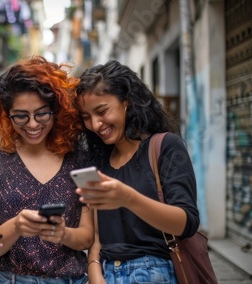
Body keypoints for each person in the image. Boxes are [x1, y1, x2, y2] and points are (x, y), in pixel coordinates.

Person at [0, 55, 94, 283]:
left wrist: (63, 234)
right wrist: (15, 227)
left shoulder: (81, 161)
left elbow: (87, 237)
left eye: (41, 114)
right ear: (7, 116)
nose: (32, 124)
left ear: (56, 111)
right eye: (21, 116)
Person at [75, 60, 200, 283]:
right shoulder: (98, 160)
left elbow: (186, 223)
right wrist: (94, 268)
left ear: (127, 102)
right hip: (104, 273)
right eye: (86, 117)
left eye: (102, 111)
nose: (95, 124)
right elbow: (96, 233)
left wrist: (128, 198)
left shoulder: (165, 146)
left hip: (154, 272)